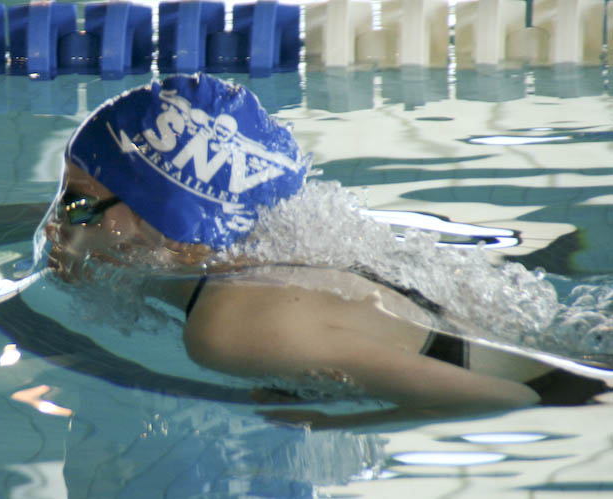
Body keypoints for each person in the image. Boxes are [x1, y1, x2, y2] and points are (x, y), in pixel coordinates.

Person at [43, 74, 609, 429]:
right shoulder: (262, 273)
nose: (55, 226)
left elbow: (506, 398)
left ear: (170, 220)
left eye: (79, 203)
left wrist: (325, 422)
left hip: (578, 399)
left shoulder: (225, 328)